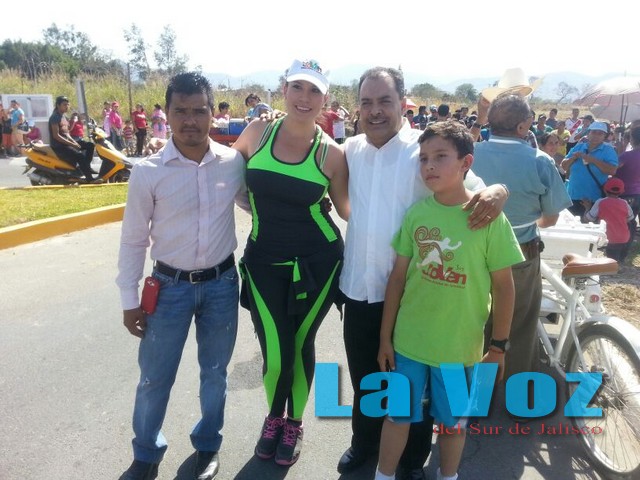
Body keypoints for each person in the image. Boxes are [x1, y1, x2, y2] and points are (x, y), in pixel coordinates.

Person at [338, 66, 508, 480]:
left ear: (402, 102)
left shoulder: (423, 150)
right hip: (359, 288)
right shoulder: (350, 149)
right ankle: (364, 443)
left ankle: (413, 461)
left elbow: (478, 186)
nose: (375, 111)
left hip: (413, 297)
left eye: (384, 101)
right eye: (366, 102)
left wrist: (498, 191)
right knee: (366, 378)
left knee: (417, 393)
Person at [116, 71, 249, 480]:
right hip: (168, 289)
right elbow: (133, 240)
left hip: (222, 285)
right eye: (181, 111)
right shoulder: (148, 171)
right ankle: (146, 454)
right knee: (154, 378)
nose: (190, 120)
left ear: (213, 114)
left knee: (215, 373)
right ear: (167, 114)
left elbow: (254, 204)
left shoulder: (233, 163)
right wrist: (129, 300)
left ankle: (208, 445)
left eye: (199, 111)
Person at [375, 121, 523, 480]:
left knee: (453, 425)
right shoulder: (417, 214)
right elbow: (397, 279)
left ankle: (448, 475)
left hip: (459, 348)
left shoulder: (488, 219)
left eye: (440, 156)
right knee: (397, 417)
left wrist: (498, 347)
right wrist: (385, 338)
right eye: (424, 158)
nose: (429, 165)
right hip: (409, 344)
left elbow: (504, 288)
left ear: (465, 162)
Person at [232, 58, 349, 467]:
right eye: (298, 86)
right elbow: (220, 172)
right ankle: (273, 417)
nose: (305, 97)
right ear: (284, 90)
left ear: (325, 99)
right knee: (276, 352)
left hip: (319, 262)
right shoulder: (257, 132)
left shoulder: (332, 154)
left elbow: (349, 210)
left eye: (314, 90)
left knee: (299, 344)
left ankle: (292, 423)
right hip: (263, 261)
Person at [471, 94, 572, 383]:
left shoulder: (471, 154)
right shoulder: (540, 161)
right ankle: (506, 391)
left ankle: (464, 387)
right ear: (522, 126)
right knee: (517, 326)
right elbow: (551, 218)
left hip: (472, 251)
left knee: (473, 321)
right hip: (520, 255)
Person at [561, 121, 618, 218]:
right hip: (572, 197)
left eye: (600, 133)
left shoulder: (608, 150)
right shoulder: (579, 147)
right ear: (588, 133)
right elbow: (563, 166)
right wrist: (573, 158)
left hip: (595, 199)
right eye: (594, 132)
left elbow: (612, 171)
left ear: (604, 136)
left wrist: (593, 160)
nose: (596, 135)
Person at [48, 96, 101, 183]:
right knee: (80, 155)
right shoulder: (55, 117)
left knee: (90, 145)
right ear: (58, 105)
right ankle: (89, 179)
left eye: (67, 104)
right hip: (59, 146)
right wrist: (72, 144)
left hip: (66, 143)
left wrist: (73, 142)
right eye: (64, 105)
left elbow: (67, 133)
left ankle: (86, 167)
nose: (67, 106)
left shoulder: (63, 116)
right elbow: (56, 136)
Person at [584, 177, 634, 262]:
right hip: (623, 237)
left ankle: (613, 265)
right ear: (622, 192)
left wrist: (587, 208)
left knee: (611, 259)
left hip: (607, 237)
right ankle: (618, 262)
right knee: (615, 257)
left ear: (605, 190)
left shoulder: (600, 202)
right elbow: (630, 218)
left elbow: (587, 219)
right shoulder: (624, 203)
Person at [614, 125, 640, 256]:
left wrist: (620, 152)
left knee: (622, 223)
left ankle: (618, 252)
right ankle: (625, 251)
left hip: (626, 193)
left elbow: (614, 169)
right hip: (637, 193)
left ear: (631, 139)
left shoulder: (627, 155)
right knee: (631, 222)